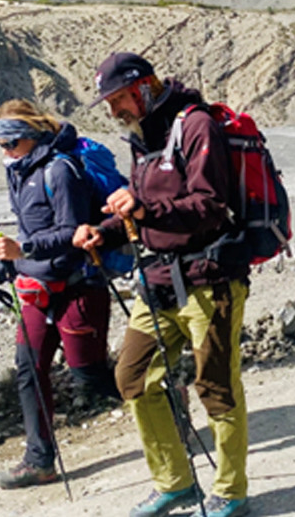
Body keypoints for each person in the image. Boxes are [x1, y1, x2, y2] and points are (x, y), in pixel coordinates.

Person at [73, 53, 251, 517]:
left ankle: (231, 492)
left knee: (216, 387)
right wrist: (103, 230)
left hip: (210, 280)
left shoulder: (196, 127)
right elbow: (139, 208)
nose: (114, 112)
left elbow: (210, 205)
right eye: (109, 104)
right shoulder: (144, 138)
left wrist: (144, 210)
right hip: (158, 279)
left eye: (117, 100)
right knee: (132, 377)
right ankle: (175, 483)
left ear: (145, 87)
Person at [0, 100, 120, 489]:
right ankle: (39, 461)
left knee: (89, 375)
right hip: (37, 289)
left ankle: (167, 400)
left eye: (12, 143)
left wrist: (21, 253)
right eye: (1, 145)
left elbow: (73, 233)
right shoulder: (20, 172)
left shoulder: (61, 170)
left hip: (79, 285)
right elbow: (28, 236)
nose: (6, 152)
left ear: (33, 136)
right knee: (29, 370)